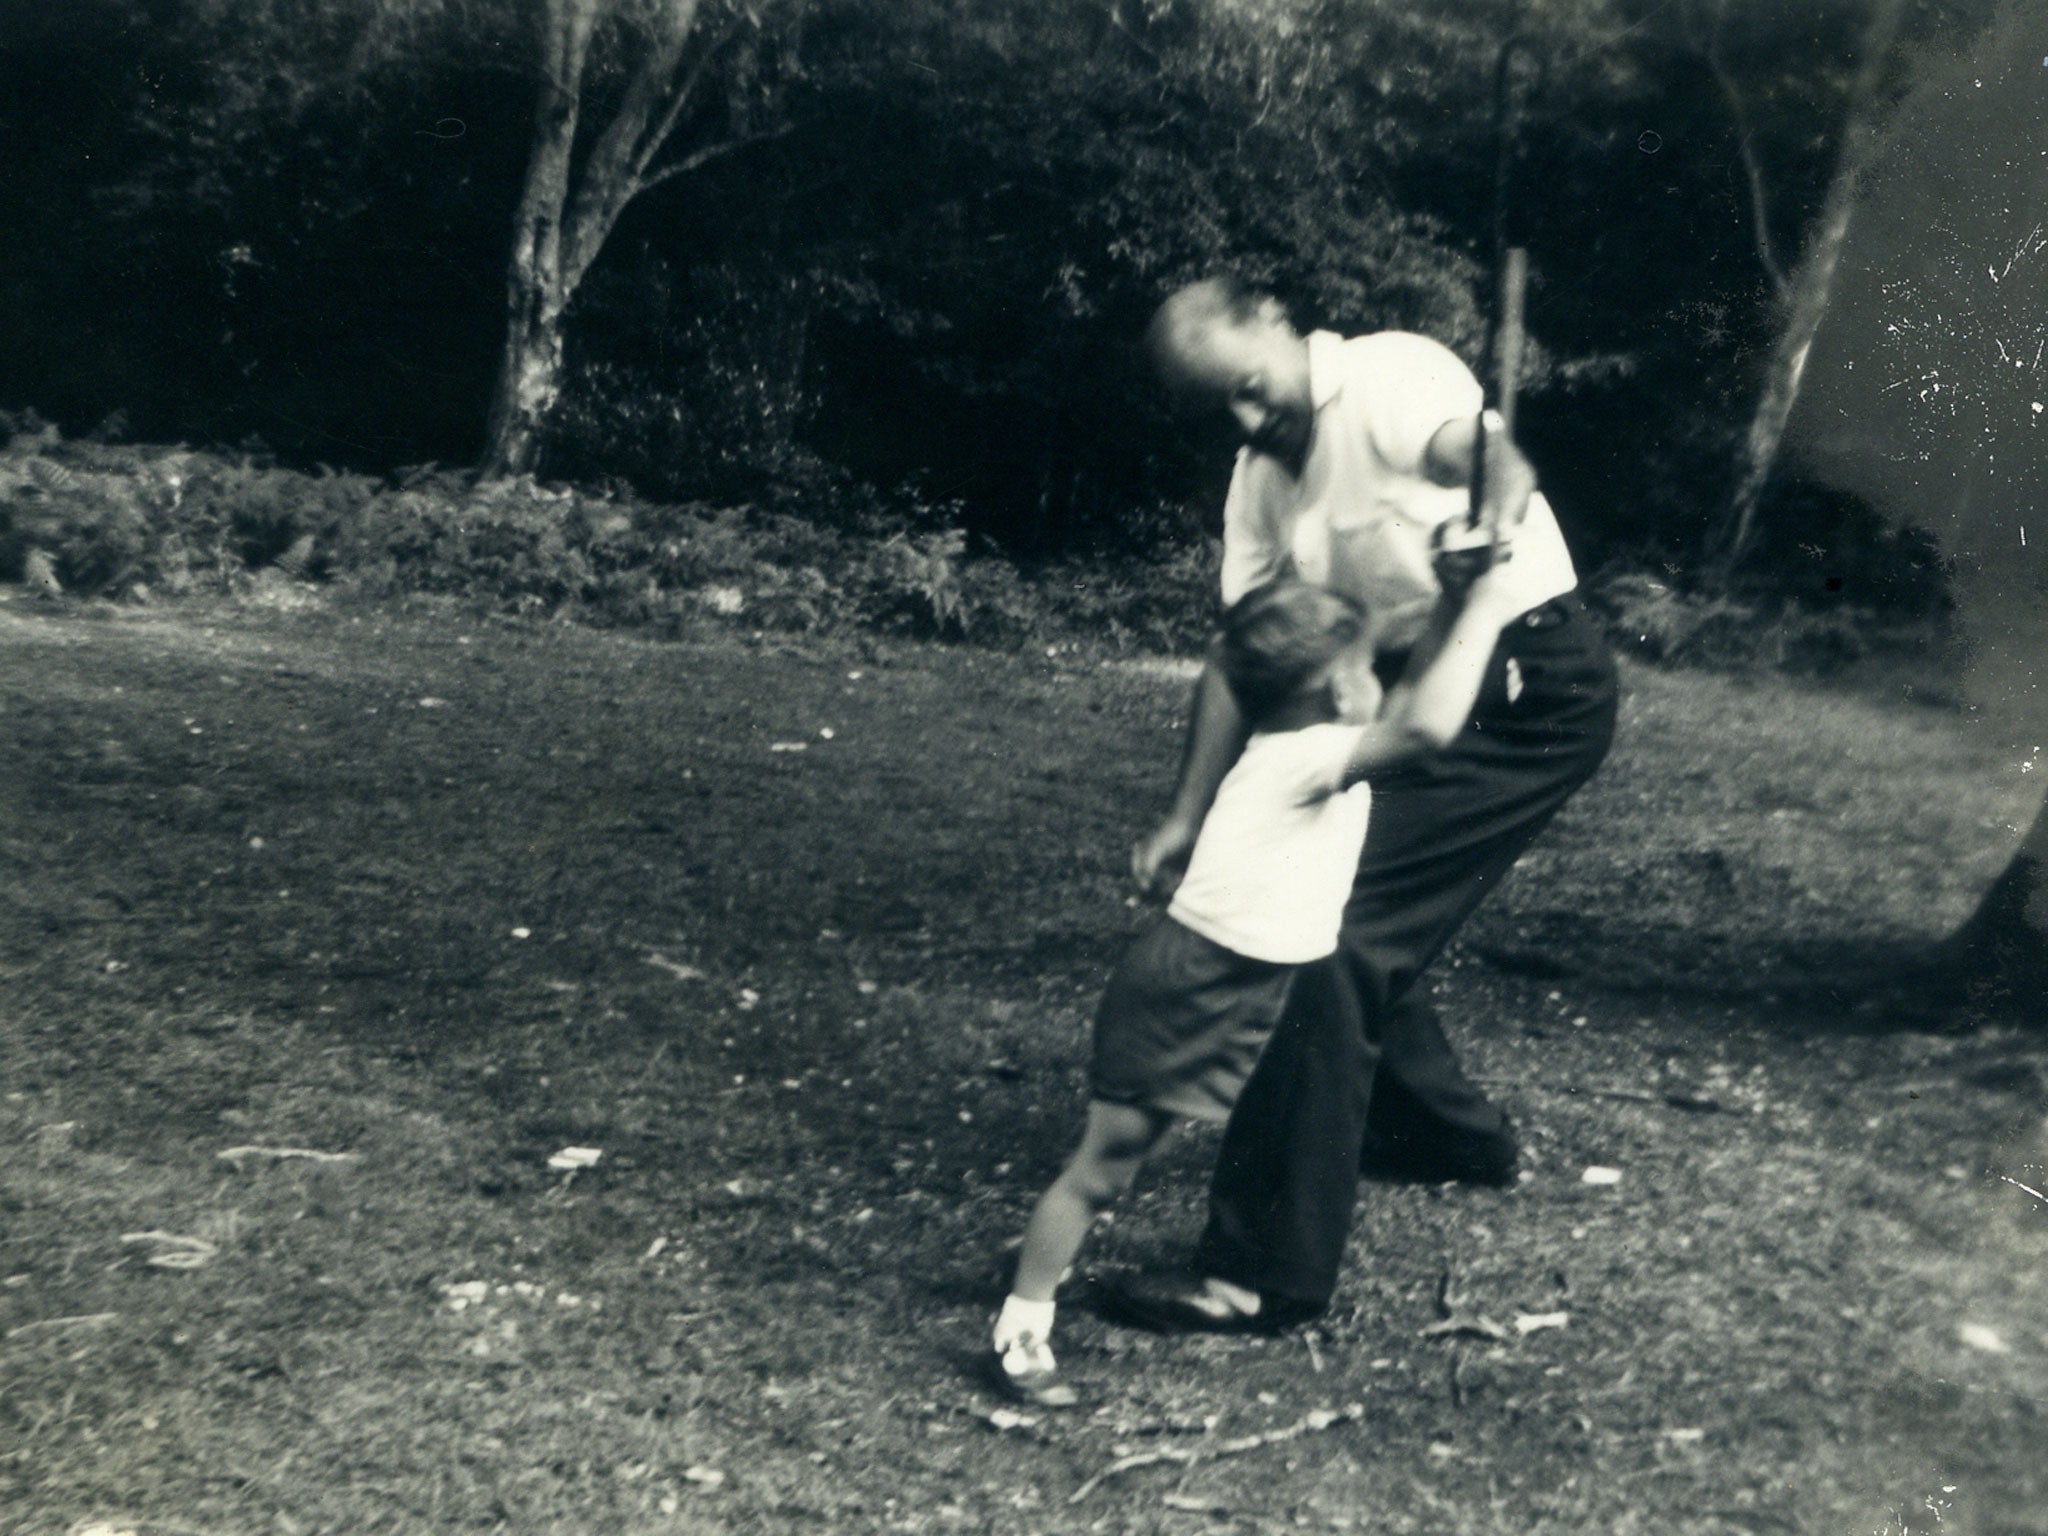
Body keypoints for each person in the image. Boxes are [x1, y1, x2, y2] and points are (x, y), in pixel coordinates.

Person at [1101, 278, 1619, 1334]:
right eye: (1222, 411)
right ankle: (1443, 1135)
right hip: (1404, 690)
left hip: (1523, 685)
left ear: (1273, 322)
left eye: (1249, 389)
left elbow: (1487, 459)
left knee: (1326, 934)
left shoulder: (1385, 375)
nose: (1248, 421)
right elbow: (1243, 660)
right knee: (1326, 896)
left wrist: (1488, 521)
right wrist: (1185, 815)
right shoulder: (1258, 482)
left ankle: (1260, 1271)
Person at [993, 568, 1525, 1404]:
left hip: (1233, 986)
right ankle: (1020, 1328)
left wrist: (1456, 598)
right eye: (1363, 669)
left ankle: (1045, 1254)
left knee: (1130, 1158)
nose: (1377, 682)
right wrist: (1489, 608)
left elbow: (1408, 698)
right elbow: (1423, 727)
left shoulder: (1301, 742)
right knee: (1103, 1168)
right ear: (1331, 688)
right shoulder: (1307, 761)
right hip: (1187, 994)